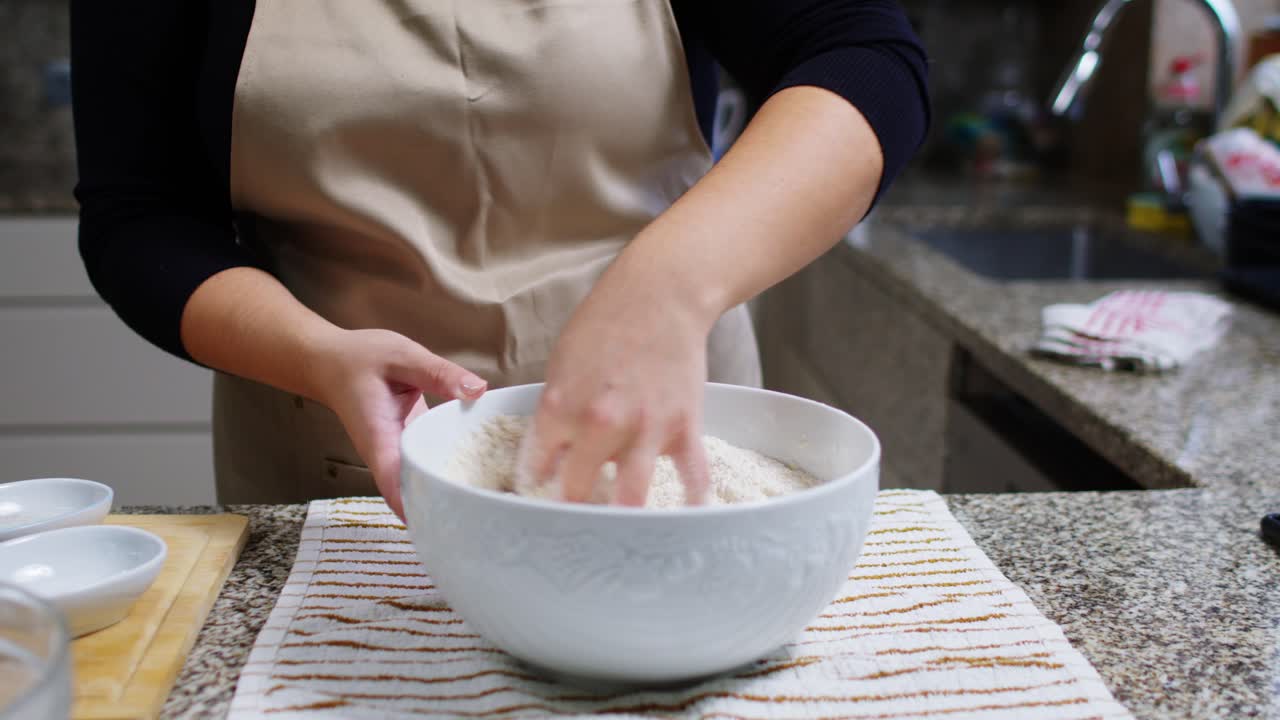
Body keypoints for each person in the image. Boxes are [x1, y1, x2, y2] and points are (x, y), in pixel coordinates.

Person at [70, 1, 929, 517]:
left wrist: (666, 287)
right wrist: (308, 352)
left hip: (662, 432)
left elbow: (865, 58)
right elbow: (139, 212)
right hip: (336, 449)